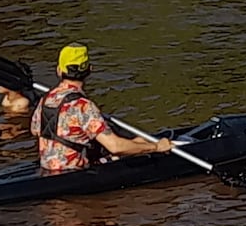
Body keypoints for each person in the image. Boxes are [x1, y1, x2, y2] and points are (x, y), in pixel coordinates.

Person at [30, 43, 172, 171]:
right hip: (74, 172)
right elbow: (115, 147)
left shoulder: (45, 99)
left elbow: (35, 130)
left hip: (47, 167)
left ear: (59, 71)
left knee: (139, 141)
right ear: (89, 70)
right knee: (137, 144)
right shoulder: (84, 106)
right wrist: (156, 147)